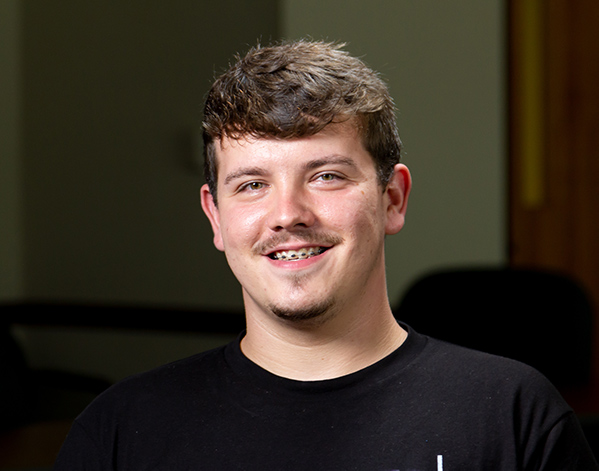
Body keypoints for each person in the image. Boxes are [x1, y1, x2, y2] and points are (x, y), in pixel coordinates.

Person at [54, 40, 597, 470]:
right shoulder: (123, 431)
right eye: (251, 185)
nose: (288, 213)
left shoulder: (509, 415)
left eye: (326, 176)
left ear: (392, 199)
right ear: (215, 216)